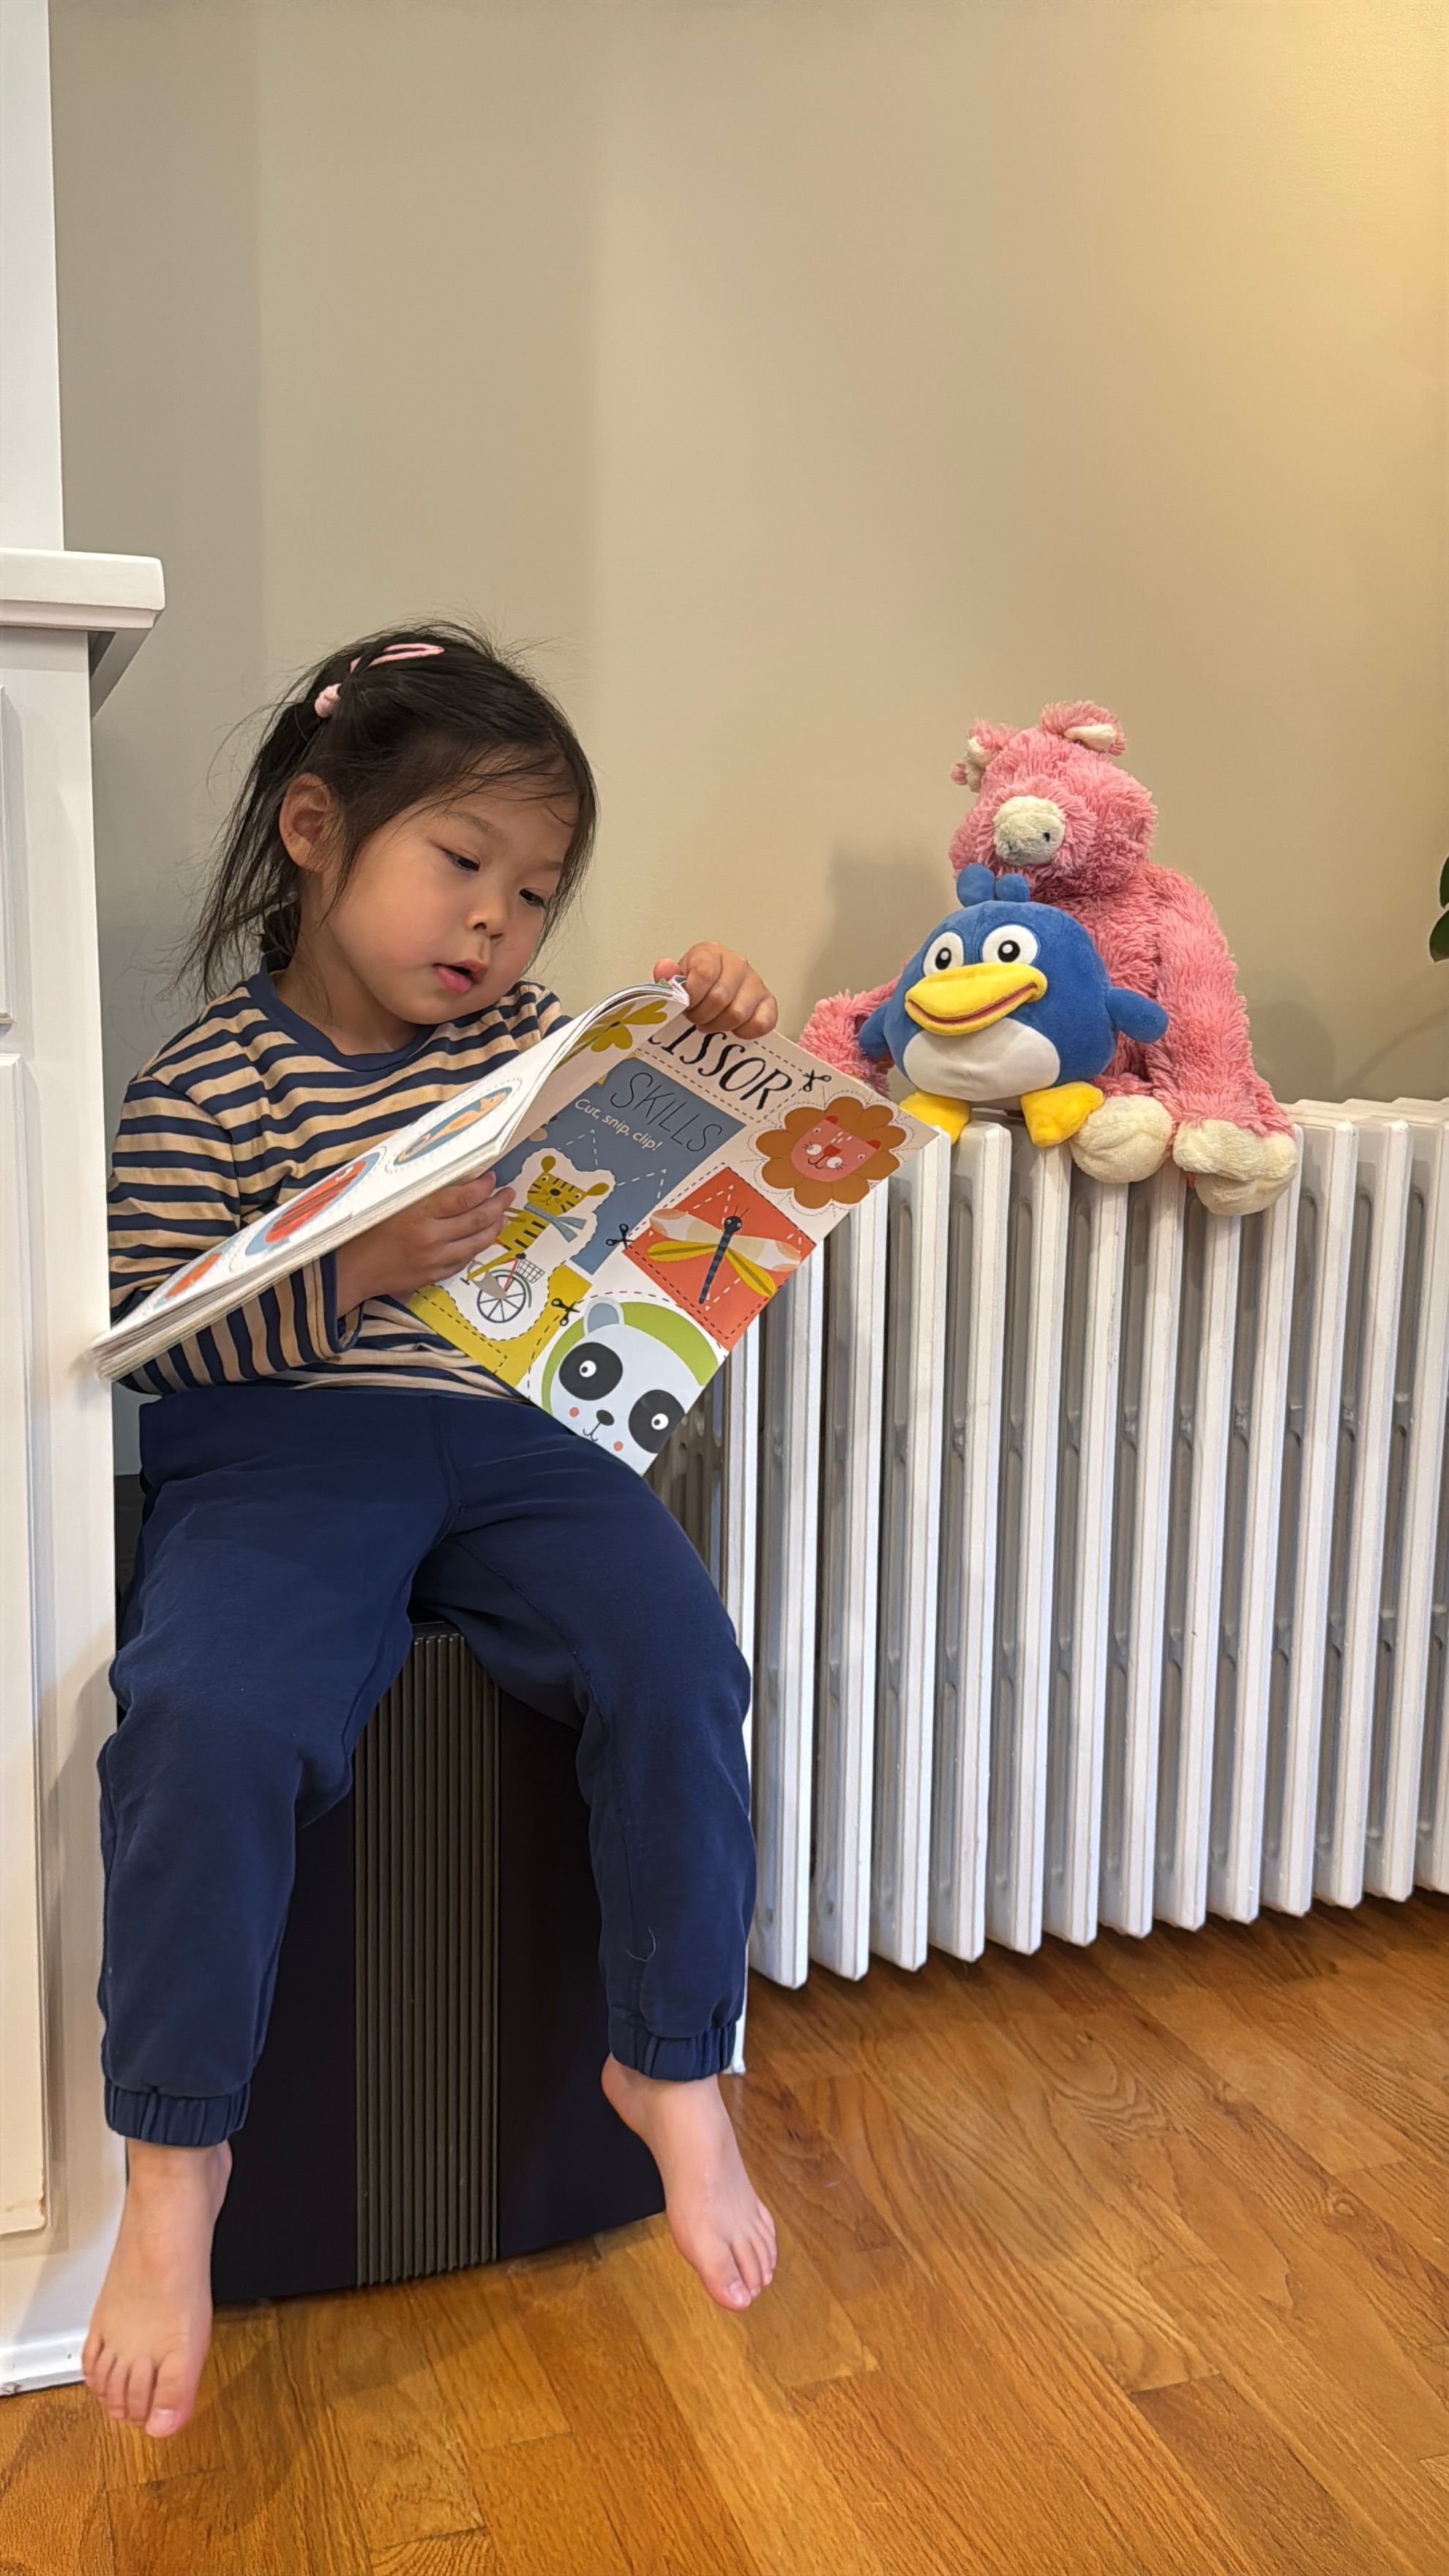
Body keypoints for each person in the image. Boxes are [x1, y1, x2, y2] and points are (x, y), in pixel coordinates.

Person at [83, 624, 777, 2443]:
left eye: (535, 893)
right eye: (461, 860)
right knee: (215, 1715)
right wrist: (347, 1270)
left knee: (682, 1659)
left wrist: (710, 1032)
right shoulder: (212, 1082)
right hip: (286, 1451)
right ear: (315, 831)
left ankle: (672, 2062)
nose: (495, 921)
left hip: (518, 1437)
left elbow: (641, 1203)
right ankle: (176, 2156)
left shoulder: (534, 1045)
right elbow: (143, 1343)